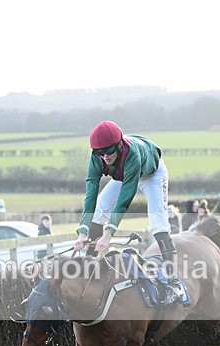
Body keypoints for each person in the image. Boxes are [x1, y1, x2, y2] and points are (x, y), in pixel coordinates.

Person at [73, 121, 184, 304]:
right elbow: (90, 195)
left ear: (118, 146)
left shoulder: (132, 155)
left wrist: (108, 234)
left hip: (151, 174)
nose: (105, 157)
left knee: (158, 223)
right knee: (99, 208)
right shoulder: (97, 157)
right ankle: (91, 270)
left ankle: (174, 282)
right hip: (122, 174)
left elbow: (125, 198)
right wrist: (83, 231)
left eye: (108, 152)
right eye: (100, 153)